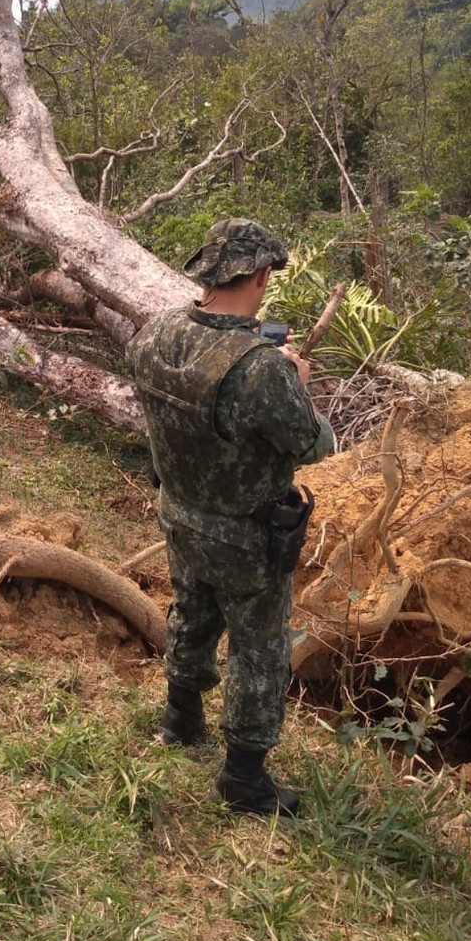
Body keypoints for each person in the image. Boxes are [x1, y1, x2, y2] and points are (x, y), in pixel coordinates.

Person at [126, 219, 334, 817]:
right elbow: (314, 443)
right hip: (246, 535)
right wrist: (297, 381)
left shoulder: (157, 331)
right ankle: (244, 778)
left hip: (180, 515)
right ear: (263, 276)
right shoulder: (260, 368)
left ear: (208, 272)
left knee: (191, 610)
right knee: (258, 648)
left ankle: (179, 719)